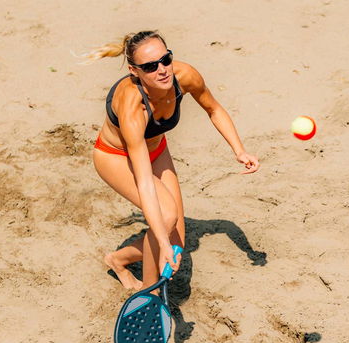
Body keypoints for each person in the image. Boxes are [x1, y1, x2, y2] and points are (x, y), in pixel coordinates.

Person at [88, 31, 260, 291]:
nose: (162, 70)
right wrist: (162, 242)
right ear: (135, 71)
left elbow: (214, 108)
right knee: (165, 219)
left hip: (157, 150)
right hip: (116, 157)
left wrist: (239, 151)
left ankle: (117, 260)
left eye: (165, 59)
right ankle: (150, 293)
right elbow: (144, 181)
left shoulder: (184, 76)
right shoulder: (134, 107)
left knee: (177, 239)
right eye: (150, 66)